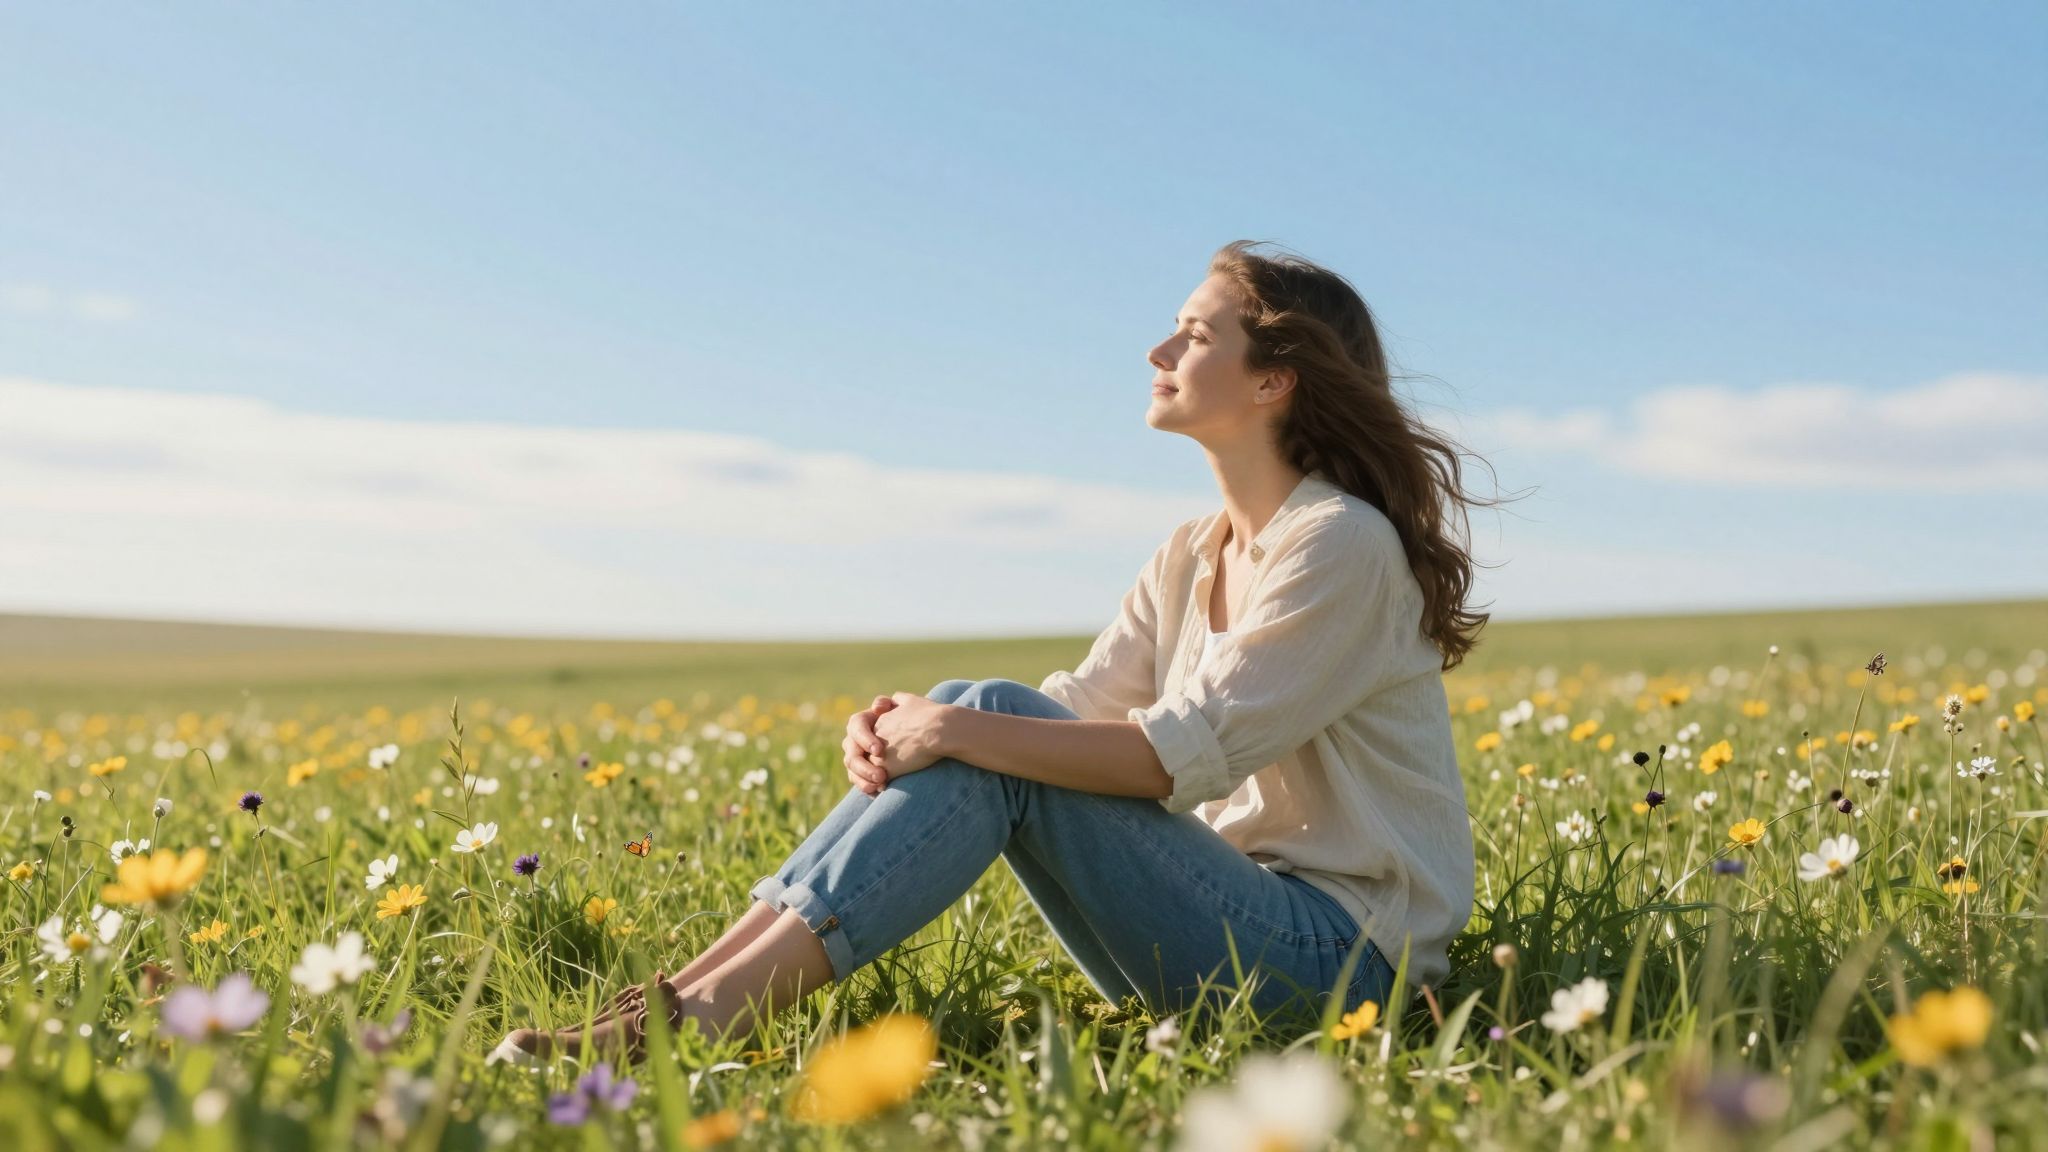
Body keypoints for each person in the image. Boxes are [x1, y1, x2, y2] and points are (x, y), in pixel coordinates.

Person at [497, 239, 1494, 1065]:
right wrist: (916, 726)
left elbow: (1161, 757)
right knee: (977, 711)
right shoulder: (1192, 550)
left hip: (1342, 972)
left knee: (982, 720)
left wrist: (959, 729)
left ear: (1274, 377)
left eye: (1193, 333)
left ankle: (694, 1024)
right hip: (1219, 931)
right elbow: (1070, 707)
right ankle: (671, 1007)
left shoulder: (1339, 543)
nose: (1157, 347)